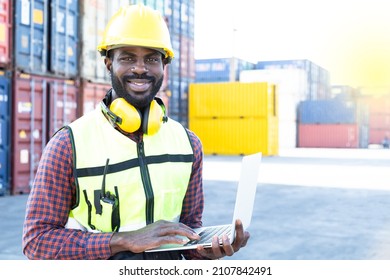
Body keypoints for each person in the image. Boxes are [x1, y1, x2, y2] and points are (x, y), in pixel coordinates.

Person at [22, 4, 250, 260]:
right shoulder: (69, 144)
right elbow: (36, 242)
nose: (140, 68)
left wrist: (207, 249)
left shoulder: (188, 145)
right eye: (128, 58)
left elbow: (188, 233)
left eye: (151, 59)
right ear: (108, 62)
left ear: (164, 64)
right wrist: (121, 241)